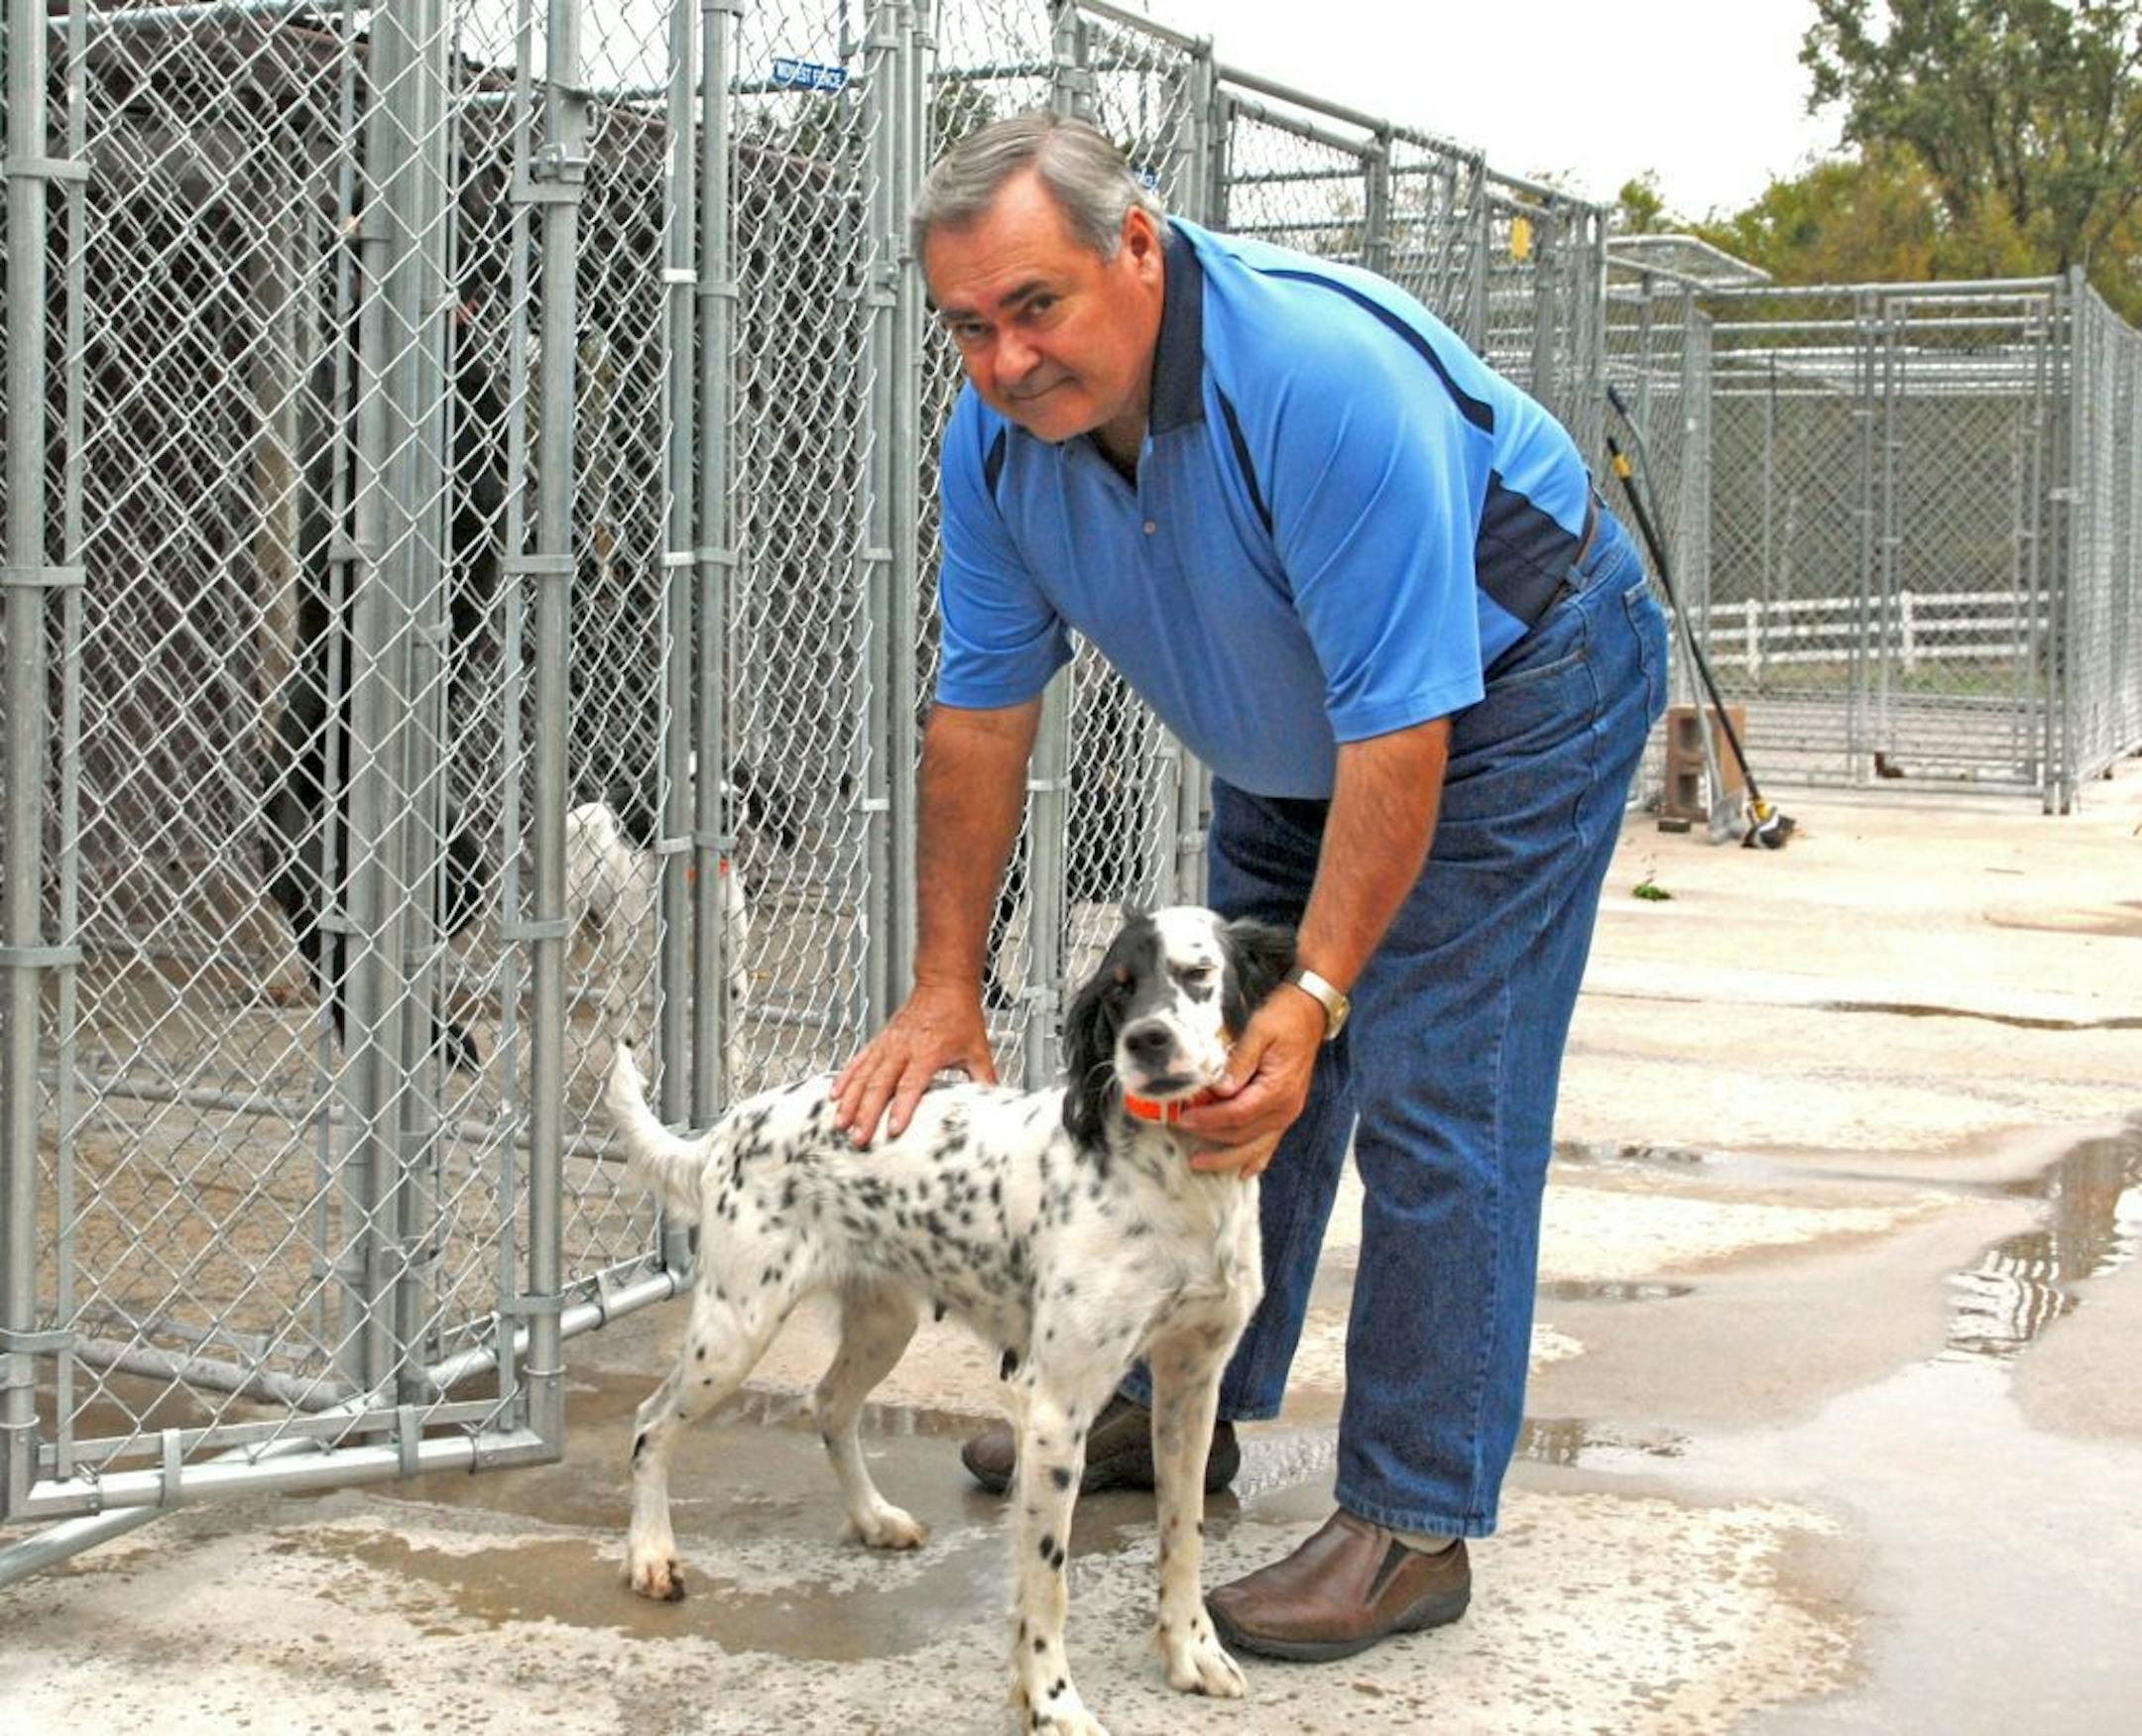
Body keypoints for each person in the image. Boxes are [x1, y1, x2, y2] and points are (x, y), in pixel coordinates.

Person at [832, 111, 1667, 1663]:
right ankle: (1176, 1402)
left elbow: (1403, 726)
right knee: (1228, 1076)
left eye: (1036, 308)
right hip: (1292, 731)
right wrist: (947, 982)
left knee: (1430, 1078)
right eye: (967, 327)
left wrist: (1329, 989)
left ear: (1134, 247)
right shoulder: (995, 445)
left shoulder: (1317, 383)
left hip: (1514, 685)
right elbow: (980, 715)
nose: (1004, 362)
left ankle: (1413, 1524)